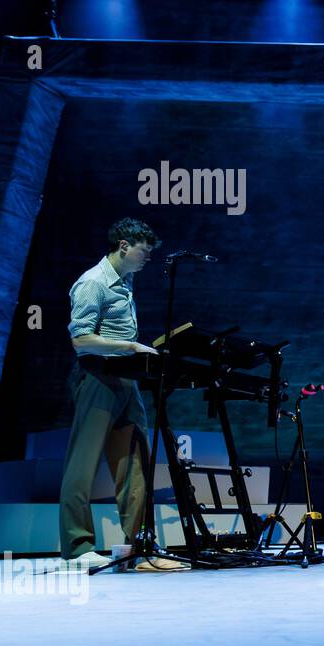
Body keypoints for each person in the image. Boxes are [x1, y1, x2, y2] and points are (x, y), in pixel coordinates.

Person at [58, 218, 188, 572]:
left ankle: (139, 548)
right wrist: (131, 345)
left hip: (126, 381)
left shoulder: (125, 281)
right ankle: (76, 546)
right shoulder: (93, 282)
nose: (148, 258)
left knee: (135, 467)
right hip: (97, 377)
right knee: (82, 464)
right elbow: (81, 340)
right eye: (145, 251)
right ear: (125, 245)